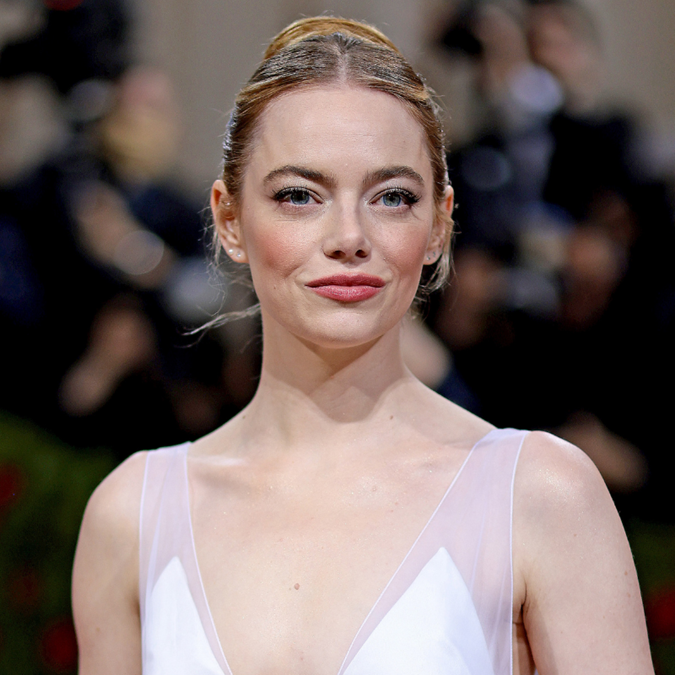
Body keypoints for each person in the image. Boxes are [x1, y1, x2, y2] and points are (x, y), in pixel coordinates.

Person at [72, 17, 653, 675]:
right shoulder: (133, 516)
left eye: (391, 197)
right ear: (229, 220)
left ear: (438, 226)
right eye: (299, 195)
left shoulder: (542, 496)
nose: (348, 236)